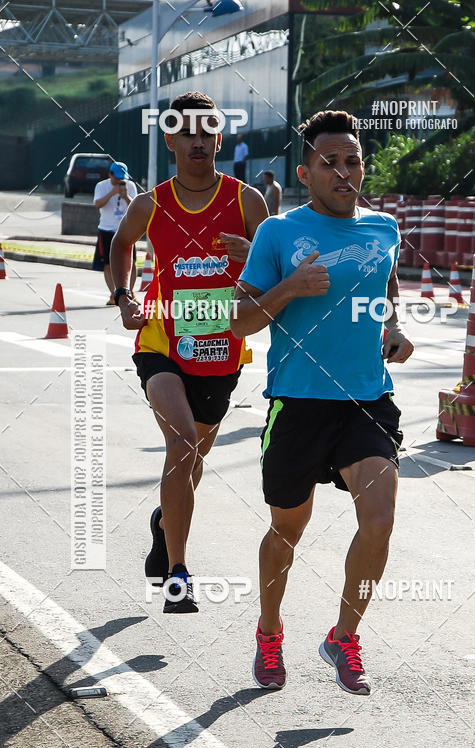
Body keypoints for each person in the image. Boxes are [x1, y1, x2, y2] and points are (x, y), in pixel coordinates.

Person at [232, 109, 414, 694]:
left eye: (353, 160)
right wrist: (290, 287)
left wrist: (392, 328)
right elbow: (240, 324)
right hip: (298, 401)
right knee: (288, 527)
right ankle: (269, 630)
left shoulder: (384, 228)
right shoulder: (278, 233)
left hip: (366, 399)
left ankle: (344, 637)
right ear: (305, 172)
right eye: (329, 162)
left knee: (379, 521)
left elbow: (385, 290)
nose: (344, 172)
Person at [110, 92, 268, 613]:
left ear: (220, 139)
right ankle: (178, 573)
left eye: (208, 133)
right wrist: (125, 295)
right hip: (161, 342)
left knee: (191, 462)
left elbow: (277, 266)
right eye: (187, 133)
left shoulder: (248, 201)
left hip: (221, 348)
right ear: (171, 140)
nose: (198, 142)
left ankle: (163, 524)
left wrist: (256, 256)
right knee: (180, 444)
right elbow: (121, 245)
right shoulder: (149, 203)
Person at [93, 161, 137, 305]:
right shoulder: (101, 186)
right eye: (116, 177)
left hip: (126, 229)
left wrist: (125, 196)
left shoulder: (130, 186)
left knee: (131, 262)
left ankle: (130, 293)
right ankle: (114, 294)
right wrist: (112, 192)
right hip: (106, 229)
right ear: (109, 174)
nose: (119, 181)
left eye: (122, 178)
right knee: (108, 263)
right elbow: (97, 204)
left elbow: (136, 208)